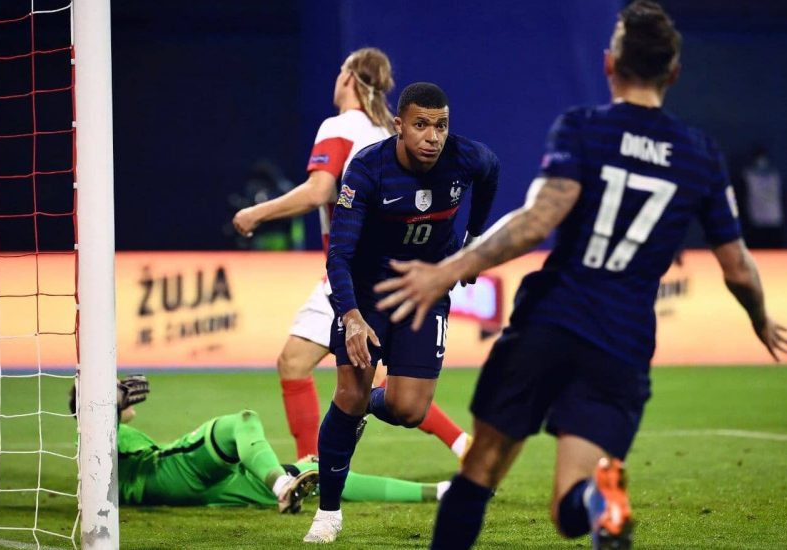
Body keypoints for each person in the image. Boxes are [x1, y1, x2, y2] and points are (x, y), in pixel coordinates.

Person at [374, 3, 787, 549]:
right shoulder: (700, 156)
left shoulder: (584, 129)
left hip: (551, 321)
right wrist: (760, 318)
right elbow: (737, 267)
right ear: (673, 73)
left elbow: (537, 221)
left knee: (480, 471)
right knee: (568, 507)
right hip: (622, 342)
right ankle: (599, 499)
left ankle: (593, 501)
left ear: (609, 64)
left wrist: (447, 269)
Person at [231, 48, 472, 461]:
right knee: (362, 379)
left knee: (309, 367)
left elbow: (318, 191)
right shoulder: (388, 134)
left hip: (354, 272)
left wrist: (257, 213)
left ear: (348, 79)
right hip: (398, 269)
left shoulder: (340, 127)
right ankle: (461, 443)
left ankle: (312, 465)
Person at [303, 82, 500, 544]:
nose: (433, 137)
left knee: (409, 409)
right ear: (399, 126)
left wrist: (473, 239)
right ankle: (328, 513)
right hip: (369, 292)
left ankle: (368, 406)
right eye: (421, 125)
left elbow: (491, 171)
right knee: (348, 394)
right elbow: (339, 255)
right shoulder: (367, 170)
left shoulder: (466, 158)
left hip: (426, 289)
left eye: (441, 126)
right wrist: (351, 315)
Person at [69, 376, 451, 511]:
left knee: (320, 473)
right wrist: (108, 402)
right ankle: (281, 484)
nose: (123, 387)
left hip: (197, 491)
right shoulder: (99, 440)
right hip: (165, 474)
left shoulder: (108, 451)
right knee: (242, 421)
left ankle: (439, 492)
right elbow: (92, 428)